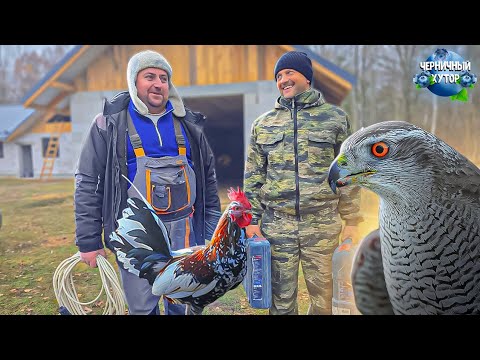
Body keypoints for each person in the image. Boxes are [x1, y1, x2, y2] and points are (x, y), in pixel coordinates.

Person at [74, 50, 221, 315]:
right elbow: (88, 182)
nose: (158, 84)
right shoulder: (108, 124)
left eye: (164, 78)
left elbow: (209, 184)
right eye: (149, 76)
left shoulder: (189, 126)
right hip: (134, 236)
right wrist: (88, 241)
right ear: (134, 82)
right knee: (142, 308)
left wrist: (212, 237)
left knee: (185, 307)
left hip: (185, 233)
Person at [243, 51, 362, 315]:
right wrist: (251, 221)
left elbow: (348, 175)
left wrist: (352, 221)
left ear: (306, 78)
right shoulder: (263, 124)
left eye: (289, 73)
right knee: (280, 303)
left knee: (325, 302)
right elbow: (254, 176)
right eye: (278, 75)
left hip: (322, 226)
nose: (283, 79)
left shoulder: (335, 119)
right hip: (277, 227)